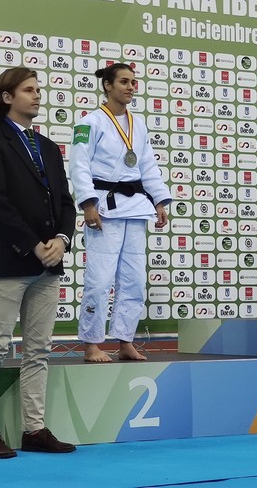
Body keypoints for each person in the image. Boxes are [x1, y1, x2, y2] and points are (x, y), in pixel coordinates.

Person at [0, 66, 77, 458]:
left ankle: (34, 429)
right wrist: (33, 244)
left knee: (39, 350)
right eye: (29, 90)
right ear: (6, 97)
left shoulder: (48, 146)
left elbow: (65, 200)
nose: (37, 95)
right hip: (10, 259)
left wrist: (62, 240)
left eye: (38, 89)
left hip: (48, 264)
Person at [70, 63, 172, 363]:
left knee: (134, 280)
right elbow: (79, 165)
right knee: (100, 280)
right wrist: (88, 203)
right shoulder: (89, 123)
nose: (130, 87)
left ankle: (125, 340)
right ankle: (91, 344)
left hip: (135, 206)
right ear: (108, 86)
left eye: (133, 82)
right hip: (104, 207)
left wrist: (158, 200)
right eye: (124, 82)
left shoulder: (138, 124)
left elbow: (147, 165)